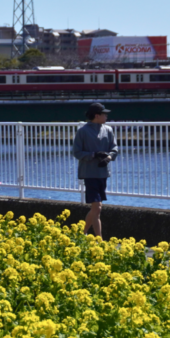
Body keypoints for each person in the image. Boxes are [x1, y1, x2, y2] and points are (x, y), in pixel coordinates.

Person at [72, 102, 118, 238]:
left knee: (96, 209)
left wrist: (108, 157)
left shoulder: (108, 130)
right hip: (89, 173)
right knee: (97, 207)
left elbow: (114, 148)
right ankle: (99, 240)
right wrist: (94, 155)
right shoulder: (83, 131)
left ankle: (81, 234)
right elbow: (77, 152)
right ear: (97, 115)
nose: (106, 116)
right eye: (104, 114)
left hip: (103, 173)